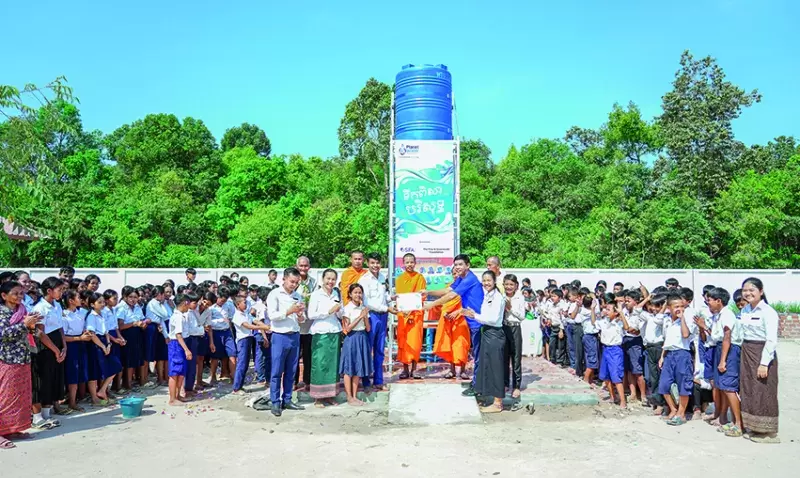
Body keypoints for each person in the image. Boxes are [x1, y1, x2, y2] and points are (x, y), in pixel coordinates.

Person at [423, 254, 484, 397]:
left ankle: (478, 386)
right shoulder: (461, 279)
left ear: (468, 265)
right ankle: (477, 384)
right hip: (471, 321)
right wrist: (428, 292)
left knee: (479, 356)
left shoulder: (469, 279)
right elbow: (448, 291)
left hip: (478, 322)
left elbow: (451, 296)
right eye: (455, 265)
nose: (457, 267)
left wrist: (431, 305)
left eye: (460, 264)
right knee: (476, 355)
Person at [0, 281, 41, 449]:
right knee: (4, 397)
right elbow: (2, 334)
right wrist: (24, 324)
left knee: (19, 396)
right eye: (15, 293)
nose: (19, 296)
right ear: (4, 296)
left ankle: (12, 429)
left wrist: (31, 326)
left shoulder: (21, 310)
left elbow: (28, 332)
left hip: (23, 358)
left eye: (21, 293)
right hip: (6, 359)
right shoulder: (2, 313)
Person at [738, 277, 780, 444]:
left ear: (761, 292)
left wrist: (764, 363)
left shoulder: (768, 312)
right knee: (749, 388)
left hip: (762, 353)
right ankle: (753, 427)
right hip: (747, 352)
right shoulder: (745, 310)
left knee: (763, 389)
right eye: (745, 291)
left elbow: (771, 340)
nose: (748, 293)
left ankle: (767, 433)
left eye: (752, 290)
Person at [462, 271, 505, 413]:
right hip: (486, 332)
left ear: (494, 281)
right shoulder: (487, 295)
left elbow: (493, 319)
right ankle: (489, 397)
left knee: (496, 368)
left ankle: (498, 403)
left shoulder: (498, 297)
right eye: (484, 281)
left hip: (494, 333)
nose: (486, 283)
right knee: (487, 367)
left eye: (489, 280)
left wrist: (475, 316)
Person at [266, 267, 306, 417]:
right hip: (279, 335)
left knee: (291, 370)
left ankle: (287, 399)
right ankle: (275, 401)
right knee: (277, 371)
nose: (293, 285)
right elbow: (272, 315)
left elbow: (301, 319)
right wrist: (290, 311)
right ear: (284, 279)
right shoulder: (274, 294)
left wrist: (301, 315)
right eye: (291, 282)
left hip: (294, 334)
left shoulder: (298, 296)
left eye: (296, 282)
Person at [705, 287, 743, 437]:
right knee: (723, 386)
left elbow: (727, 336)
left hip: (729, 350)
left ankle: (738, 424)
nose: (708, 304)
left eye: (710, 301)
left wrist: (722, 361)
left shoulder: (727, 314)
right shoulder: (719, 315)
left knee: (729, 387)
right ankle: (731, 421)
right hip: (722, 348)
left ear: (718, 301)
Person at [358, 253, 397, 391]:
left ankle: (378, 380)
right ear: (367, 264)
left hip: (383, 316)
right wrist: (387, 308)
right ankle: (366, 381)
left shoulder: (382, 277)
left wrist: (392, 298)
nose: (375, 266)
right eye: (373, 263)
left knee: (380, 350)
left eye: (378, 263)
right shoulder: (364, 280)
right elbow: (367, 302)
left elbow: (384, 295)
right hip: (371, 317)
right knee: (367, 349)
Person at [658, 295, 698, 426]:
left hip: (682, 354)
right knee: (664, 385)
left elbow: (685, 335)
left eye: (682, 306)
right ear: (669, 308)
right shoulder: (667, 321)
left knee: (683, 385)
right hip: (669, 354)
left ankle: (681, 413)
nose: (680, 309)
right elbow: (667, 340)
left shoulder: (687, 320)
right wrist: (662, 356)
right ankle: (673, 409)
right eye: (676, 307)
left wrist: (682, 319)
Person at [32, 277, 68, 418]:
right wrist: (56, 350)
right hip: (46, 347)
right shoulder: (40, 308)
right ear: (49, 290)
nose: (62, 292)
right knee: (44, 380)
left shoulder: (57, 305)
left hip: (58, 344)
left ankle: (48, 413)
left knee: (54, 378)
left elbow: (60, 328)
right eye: (59, 290)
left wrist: (64, 346)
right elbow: (40, 332)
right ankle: (40, 416)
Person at [308, 269, 343, 407]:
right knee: (319, 364)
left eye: (333, 279)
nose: (330, 281)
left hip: (334, 331)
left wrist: (339, 310)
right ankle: (318, 397)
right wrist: (328, 311)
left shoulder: (336, 293)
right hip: (321, 332)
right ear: (323, 279)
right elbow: (311, 314)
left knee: (332, 365)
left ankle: (329, 395)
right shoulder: (316, 295)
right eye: (328, 278)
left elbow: (339, 314)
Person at [432, 270, 471, 380]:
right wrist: (444, 312)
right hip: (448, 321)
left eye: (459, 273)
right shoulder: (448, 288)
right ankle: (452, 369)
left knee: (461, 344)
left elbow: (471, 304)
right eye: (454, 273)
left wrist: (458, 312)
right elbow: (440, 303)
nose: (456, 275)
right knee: (449, 344)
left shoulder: (468, 287)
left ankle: (463, 370)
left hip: (462, 320)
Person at [84, 292, 120, 406]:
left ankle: (102, 390)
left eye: (103, 302)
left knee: (116, 366)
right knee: (94, 372)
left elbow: (106, 331)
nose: (102, 304)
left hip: (105, 340)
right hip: (96, 344)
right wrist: (103, 346)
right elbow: (92, 334)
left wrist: (108, 343)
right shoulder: (91, 316)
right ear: (92, 304)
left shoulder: (102, 315)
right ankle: (94, 397)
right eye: (99, 302)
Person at [395, 253, 427, 380]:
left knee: (415, 342)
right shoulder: (400, 279)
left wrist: (412, 311)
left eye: (411, 262)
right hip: (403, 315)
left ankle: (414, 369)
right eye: (407, 262)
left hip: (416, 315)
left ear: (415, 263)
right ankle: (405, 369)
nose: (409, 264)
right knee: (403, 342)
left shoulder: (420, 278)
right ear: (403, 263)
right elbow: (400, 297)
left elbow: (421, 296)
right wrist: (404, 310)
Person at [339, 283, 372, 406]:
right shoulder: (347, 308)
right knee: (349, 368)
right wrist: (360, 317)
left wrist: (365, 317)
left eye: (360, 292)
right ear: (350, 294)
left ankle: (354, 395)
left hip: (362, 337)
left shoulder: (363, 308)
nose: (358, 295)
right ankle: (349, 397)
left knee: (358, 367)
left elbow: (368, 328)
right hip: (351, 339)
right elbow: (347, 329)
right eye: (355, 292)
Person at [231, 296, 270, 395]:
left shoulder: (245, 314)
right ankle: (236, 388)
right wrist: (263, 327)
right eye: (244, 302)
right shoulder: (237, 315)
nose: (246, 304)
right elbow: (247, 325)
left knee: (246, 364)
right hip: (242, 340)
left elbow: (254, 320)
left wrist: (262, 324)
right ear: (238, 304)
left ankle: (240, 385)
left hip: (249, 338)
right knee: (242, 364)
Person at [62, 289, 91, 412]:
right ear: (71, 301)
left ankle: (75, 399)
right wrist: (79, 337)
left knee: (79, 372)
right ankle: (71, 402)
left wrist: (85, 333)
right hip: (72, 345)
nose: (81, 299)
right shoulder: (64, 315)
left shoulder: (80, 314)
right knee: (72, 373)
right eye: (78, 297)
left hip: (81, 344)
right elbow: (63, 337)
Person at [167, 293, 195, 406]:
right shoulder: (177, 317)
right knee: (175, 372)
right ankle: (172, 398)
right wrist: (186, 350)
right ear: (185, 303)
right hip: (176, 345)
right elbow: (178, 335)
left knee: (181, 371)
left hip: (181, 343)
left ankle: (178, 395)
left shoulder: (181, 315)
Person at [116, 286, 147, 391]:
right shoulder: (121, 307)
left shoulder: (137, 306)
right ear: (125, 297)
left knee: (135, 359)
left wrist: (143, 324)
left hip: (137, 334)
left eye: (135, 297)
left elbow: (142, 319)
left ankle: (131, 383)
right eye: (130, 297)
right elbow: (120, 326)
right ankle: (126, 385)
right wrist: (133, 323)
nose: (133, 299)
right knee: (127, 361)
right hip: (126, 334)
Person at [641, 294, 667, 415]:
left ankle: (661, 404)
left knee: (660, 377)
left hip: (659, 347)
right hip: (650, 348)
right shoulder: (651, 317)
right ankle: (656, 401)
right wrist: (646, 299)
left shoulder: (663, 318)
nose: (654, 308)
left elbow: (659, 319)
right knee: (652, 377)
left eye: (657, 306)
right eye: (652, 306)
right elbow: (637, 310)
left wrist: (663, 308)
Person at [621, 289, 647, 406]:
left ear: (636, 302)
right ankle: (633, 393)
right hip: (625, 340)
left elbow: (635, 331)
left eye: (629, 301)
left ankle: (643, 395)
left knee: (637, 370)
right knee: (630, 369)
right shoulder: (624, 312)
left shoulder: (639, 315)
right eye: (625, 301)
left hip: (635, 341)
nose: (626, 303)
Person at [598, 302, 626, 408]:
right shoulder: (604, 322)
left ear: (615, 312)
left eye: (609, 310)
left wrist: (621, 313)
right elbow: (593, 323)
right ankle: (613, 396)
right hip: (605, 349)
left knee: (616, 376)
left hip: (615, 350)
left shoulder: (618, 324)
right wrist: (593, 310)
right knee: (605, 376)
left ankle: (623, 401)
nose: (606, 311)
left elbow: (627, 327)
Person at [295, 255, 316, 391]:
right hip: (295, 324)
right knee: (295, 356)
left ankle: (308, 381)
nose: (303, 268)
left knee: (309, 354)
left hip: (309, 324)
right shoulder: (292, 280)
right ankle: (294, 381)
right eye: (301, 266)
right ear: (297, 266)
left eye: (306, 266)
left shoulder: (313, 282)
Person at [502, 274, 525, 399]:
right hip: (504, 327)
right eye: (506, 284)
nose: (509, 287)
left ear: (516, 286)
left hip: (515, 327)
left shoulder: (519, 298)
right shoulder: (501, 296)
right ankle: (505, 383)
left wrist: (510, 308)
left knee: (516, 358)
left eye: (511, 284)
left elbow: (522, 316)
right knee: (504, 357)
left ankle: (516, 386)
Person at [145, 286, 170, 386]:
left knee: (164, 355)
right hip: (153, 328)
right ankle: (159, 378)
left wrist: (166, 335)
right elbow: (165, 315)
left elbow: (163, 319)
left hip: (160, 328)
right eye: (163, 294)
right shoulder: (153, 303)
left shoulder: (160, 303)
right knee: (158, 355)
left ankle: (164, 377)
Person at [209, 292, 235, 386]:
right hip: (216, 332)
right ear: (217, 297)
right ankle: (213, 377)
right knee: (215, 356)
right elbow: (209, 322)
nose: (222, 302)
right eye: (221, 300)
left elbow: (232, 317)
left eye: (224, 301)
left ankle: (233, 377)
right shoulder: (211, 308)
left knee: (232, 354)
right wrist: (220, 320)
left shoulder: (229, 305)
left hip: (227, 332)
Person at [580, 296, 599, 385]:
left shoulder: (587, 311)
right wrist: (593, 308)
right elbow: (593, 321)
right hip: (590, 337)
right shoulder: (586, 311)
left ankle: (590, 379)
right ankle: (586, 378)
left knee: (589, 358)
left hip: (590, 337)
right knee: (592, 359)